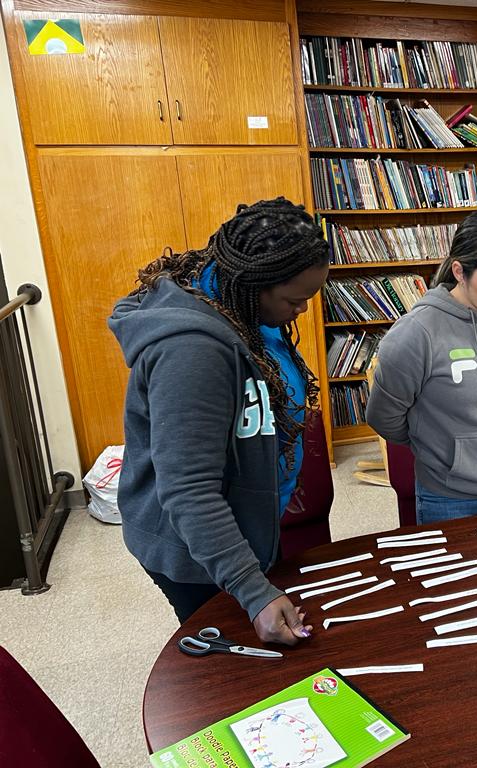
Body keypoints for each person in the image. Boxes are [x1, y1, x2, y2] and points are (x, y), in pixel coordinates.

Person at [109, 197, 329, 644]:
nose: (302, 310)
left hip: (244, 523)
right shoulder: (192, 352)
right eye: (296, 299)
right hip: (198, 552)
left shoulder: (240, 304)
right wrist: (254, 592)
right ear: (255, 284)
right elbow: (189, 490)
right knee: (234, 670)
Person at [366, 210, 477, 524]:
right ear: (460, 272)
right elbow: (384, 416)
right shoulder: (416, 333)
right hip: (450, 495)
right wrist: (439, 448)